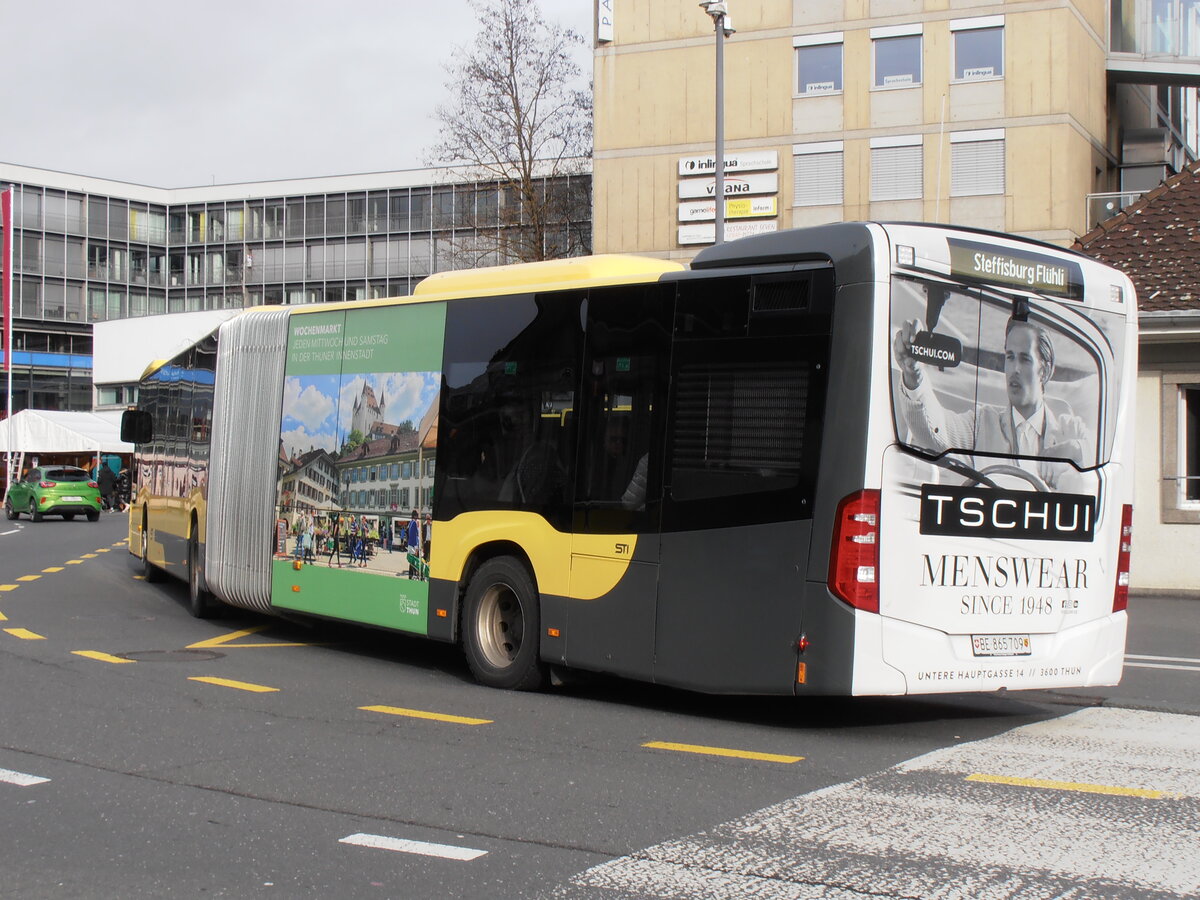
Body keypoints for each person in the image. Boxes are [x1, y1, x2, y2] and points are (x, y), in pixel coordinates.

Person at [893, 315, 1091, 489]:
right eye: (1010, 357)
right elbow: (936, 431)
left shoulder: (1069, 430)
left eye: (1024, 359)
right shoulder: (981, 423)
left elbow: (1106, 462)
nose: (1015, 369)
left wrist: (1074, 451)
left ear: (1045, 371)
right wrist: (914, 375)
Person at [406, 509, 420, 578]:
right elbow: (415, 536)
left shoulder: (411, 522)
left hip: (410, 544)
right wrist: (416, 547)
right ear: (415, 516)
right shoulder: (414, 523)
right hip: (413, 545)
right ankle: (413, 575)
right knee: (413, 562)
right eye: (417, 515)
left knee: (411, 561)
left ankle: (410, 575)